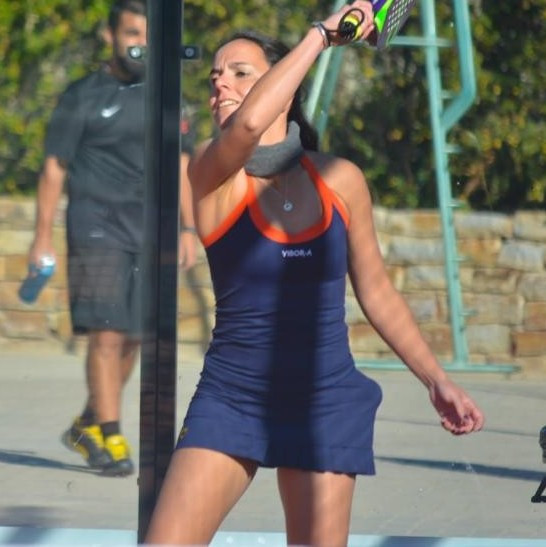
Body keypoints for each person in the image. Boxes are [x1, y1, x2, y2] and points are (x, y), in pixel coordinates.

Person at [145, 1, 484, 543]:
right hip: (232, 396)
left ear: (283, 85)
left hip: (325, 399)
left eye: (240, 73)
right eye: (215, 77)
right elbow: (249, 124)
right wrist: (321, 36)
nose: (220, 84)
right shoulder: (210, 170)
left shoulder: (341, 179)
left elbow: (376, 291)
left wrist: (436, 380)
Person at [28, 0, 197, 477]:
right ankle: (113, 436)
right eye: (131, 33)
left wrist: (187, 228)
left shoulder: (167, 95)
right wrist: (41, 238)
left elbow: (182, 163)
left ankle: (89, 423)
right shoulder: (82, 96)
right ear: (110, 36)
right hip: (94, 227)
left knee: (135, 335)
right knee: (107, 330)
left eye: (147, 34)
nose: (140, 44)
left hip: (149, 230)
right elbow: (54, 168)